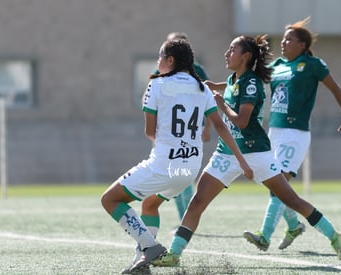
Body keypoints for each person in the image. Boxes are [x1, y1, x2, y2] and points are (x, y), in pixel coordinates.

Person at [150, 34, 341, 269]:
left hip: (256, 153)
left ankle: (336, 237)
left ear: (246, 56)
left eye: (232, 49)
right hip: (226, 153)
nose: (227, 53)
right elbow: (234, 86)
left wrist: (222, 105)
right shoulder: (235, 79)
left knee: (290, 199)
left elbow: (243, 121)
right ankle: (174, 254)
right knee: (197, 202)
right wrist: (215, 86)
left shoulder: (252, 82)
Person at [100, 39, 253, 274]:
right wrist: (242, 160)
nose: (158, 63)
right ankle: (141, 263)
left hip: (163, 166)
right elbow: (220, 127)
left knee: (110, 199)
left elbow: (149, 131)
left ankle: (149, 247)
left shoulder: (156, 85)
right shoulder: (202, 88)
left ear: (170, 60)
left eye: (160, 58)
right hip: (188, 170)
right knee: (150, 204)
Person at [243, 17, 341, 252]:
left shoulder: (312, 65)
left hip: (295, 134)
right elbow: (247, 82)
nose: (283, 43)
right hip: (274, 132)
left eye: (289, 39)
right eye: (282, 39)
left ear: (302, 45)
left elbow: (335, 88)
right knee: (278, 187)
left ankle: (264, 235)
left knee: (278, 185)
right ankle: (293, 226)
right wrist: (218, 87)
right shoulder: (277, 66)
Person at [158, 32, 212, 222]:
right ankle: (184, 219)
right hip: (168, 131)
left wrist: (208, 127)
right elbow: (149, 99)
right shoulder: (164, 70)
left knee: (184, 174)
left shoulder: (197, 70)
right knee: (175, 175)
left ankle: (186, 220)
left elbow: (209, 99)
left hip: (190, 131)